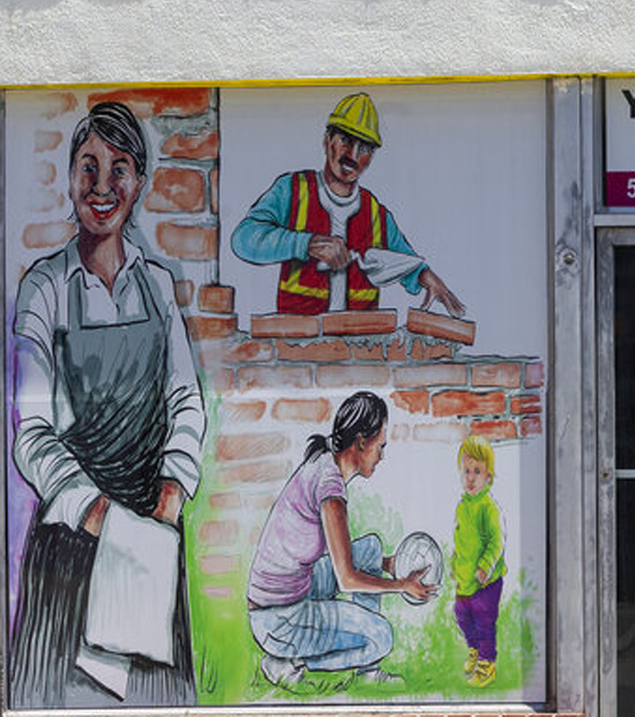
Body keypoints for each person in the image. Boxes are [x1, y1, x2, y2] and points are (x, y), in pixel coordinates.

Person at [9, 100, 205, 706]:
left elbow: (187, 401)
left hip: (149, 536)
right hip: (71, 549)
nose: (102, 186)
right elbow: (30, 432)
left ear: (139, 183)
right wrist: (95, 513)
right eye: (88, 168)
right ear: (70, 179)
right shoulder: (44, 290)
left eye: (119, 169)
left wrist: (171, 494)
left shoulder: (159, 287)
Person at [247, 391, 438, 688]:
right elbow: (347, 579)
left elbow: (349, 561)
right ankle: (288, 662)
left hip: (293, 592)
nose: (382, 456)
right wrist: (401, 585)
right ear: (362, 441)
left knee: (371, 548)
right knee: (382, 637)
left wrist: (392, 564)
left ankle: (368, 672)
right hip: (278, 620)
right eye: (380, 446)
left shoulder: (324, 463)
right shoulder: (330, 489)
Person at [231, 92, 464, 317]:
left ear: (371, 158)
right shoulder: (292, 190)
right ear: (326, 141)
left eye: (363, 149)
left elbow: (404, 261)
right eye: (345, 140)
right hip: (299, 344)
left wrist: (427, 277)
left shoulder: (375, 213)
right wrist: (305, 243)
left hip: (358, 348)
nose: (352, 155)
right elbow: (243, 239)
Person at [452, 435, 507, 687]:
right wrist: (455, 567)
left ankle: (487, 663)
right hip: (465, 578)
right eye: (466, 471)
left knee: (484, 620)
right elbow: (461, 542)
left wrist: (485, 565)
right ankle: (474, 649)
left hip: (486, 580)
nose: (470, 477)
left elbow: (496, 541)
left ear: (489, 476)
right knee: (462, 615)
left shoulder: (487, 507)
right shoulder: (463, 506)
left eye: (477, 471)